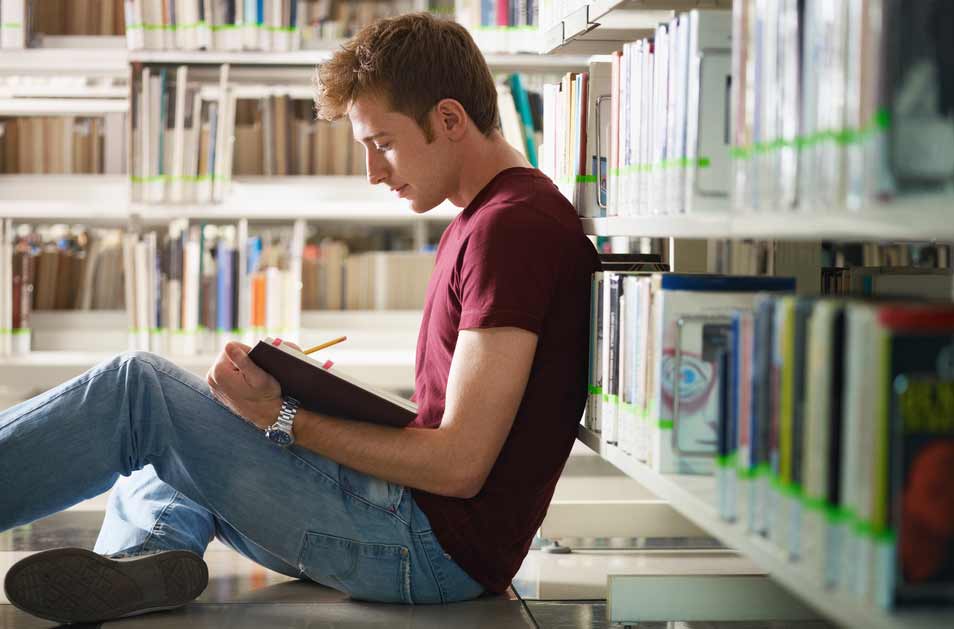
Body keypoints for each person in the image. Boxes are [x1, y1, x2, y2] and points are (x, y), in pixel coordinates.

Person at [0, 12, 600, 624]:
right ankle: (148, 557)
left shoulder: (513, 229)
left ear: (449, 119)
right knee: (178, 440)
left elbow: (459, 465)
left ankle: (149, 547)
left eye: (383, 144)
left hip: (425, 551)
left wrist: (284, 418)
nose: (374, 173)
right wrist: (295, 394)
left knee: (137, 391)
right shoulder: (490, 218)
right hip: (415, 533)